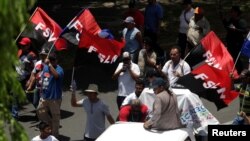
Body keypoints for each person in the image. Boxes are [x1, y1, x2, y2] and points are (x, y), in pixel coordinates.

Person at [36, 53, 64, 138]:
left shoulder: (59, 69)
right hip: (44, 96)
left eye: (53, 60)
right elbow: (44, 78)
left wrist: (49, 65)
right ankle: (49, 124)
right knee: (40, 112)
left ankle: (55, 136)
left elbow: (56, 76)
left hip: (54, 98)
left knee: (56, 117)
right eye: (50, 60)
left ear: (56, 60)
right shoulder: (45, 68)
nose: (51, 61)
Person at [13, 37, 37, 119]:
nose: (22, 47)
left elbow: (36, 69)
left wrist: (30, 81)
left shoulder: (32, 55)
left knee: (30, 97)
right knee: (14, 96)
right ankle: (14, 115)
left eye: (24, 45)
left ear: (28, 45)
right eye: (21, 45)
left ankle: (40, 112)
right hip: (17, 77)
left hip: (27, 78)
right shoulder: (19, 52)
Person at [221, 6, 248, 73]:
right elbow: (228, 27)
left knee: (236, 58)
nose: (230, 13)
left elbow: (245, 31)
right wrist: (224, 20)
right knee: (231, 57)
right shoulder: (231, 20)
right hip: (230, 41)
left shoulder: (241, 21)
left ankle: (240, 71)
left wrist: (235, 30)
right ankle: (234, 71)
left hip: (237, 43)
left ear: (236, 12)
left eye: (232, 11)